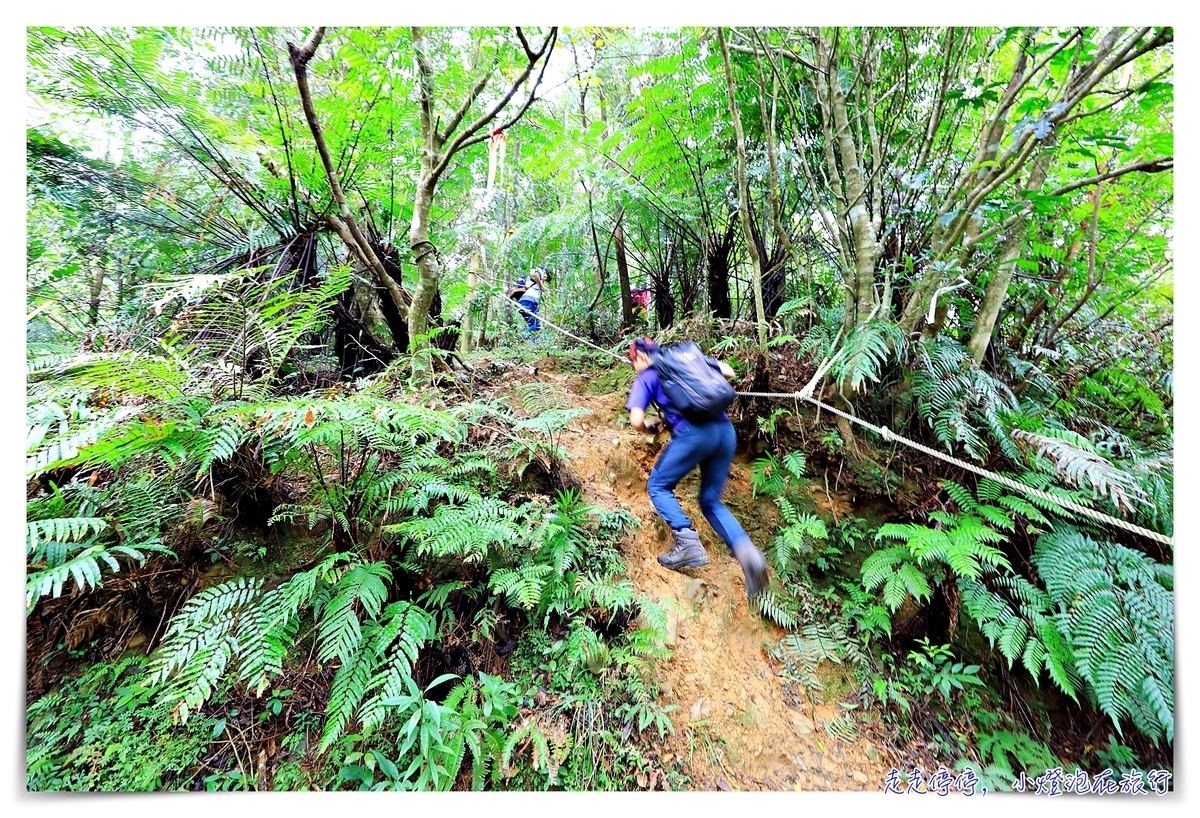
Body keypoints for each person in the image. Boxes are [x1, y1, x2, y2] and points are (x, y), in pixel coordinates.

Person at [624, 338, 769, 598]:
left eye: (633, 360)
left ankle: (686, 542)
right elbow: (728, 371)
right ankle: (748, 552)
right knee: (711, 500)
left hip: (694, 435)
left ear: (641, 358)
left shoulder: (647, 376)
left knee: (658, 485)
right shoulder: (683, 361)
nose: (634, 366)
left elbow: (635, 421)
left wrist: (650, 425)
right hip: (725, 433)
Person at [516, 267, 550, 340]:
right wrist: (541, 286)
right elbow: (534, 274)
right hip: (528, 302)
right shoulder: (539, 273)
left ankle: (532, 343)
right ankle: (520, 338)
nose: (546, 276)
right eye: (546, 274)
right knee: (536, 325)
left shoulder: (536, 282)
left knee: (533, 325)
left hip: (527, 303)